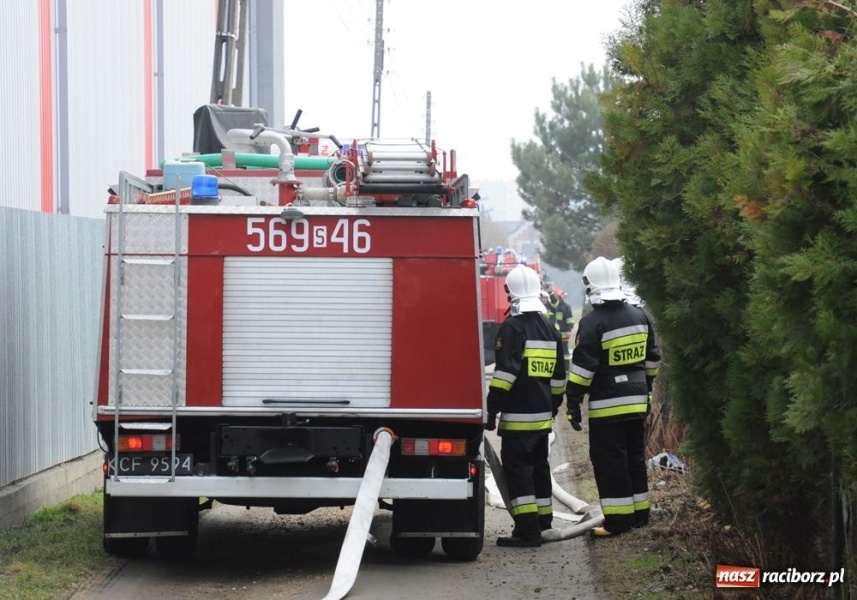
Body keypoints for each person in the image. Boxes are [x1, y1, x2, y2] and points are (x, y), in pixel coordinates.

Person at [566, 256, 660, 537]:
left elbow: (583, 369)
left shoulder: (592, 323)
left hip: (608, 406)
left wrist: (572, 402)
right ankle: (640, 516)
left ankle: (618, 522)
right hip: (637, 400)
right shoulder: (640, 316)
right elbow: (652, 359)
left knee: (610, 461)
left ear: (591, 287)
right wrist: (646, 386)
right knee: (634, 458)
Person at [486, 265, 567, 547]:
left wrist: (491, 408)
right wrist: (552, 405)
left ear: (510, 293)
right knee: (539, 468)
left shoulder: (512, 328)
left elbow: (505, 374)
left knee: (518, 472)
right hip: (543, 417)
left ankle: (526, 531)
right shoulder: (550, 328)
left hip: (518, 419)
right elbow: (559, 378)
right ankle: (544, 523)